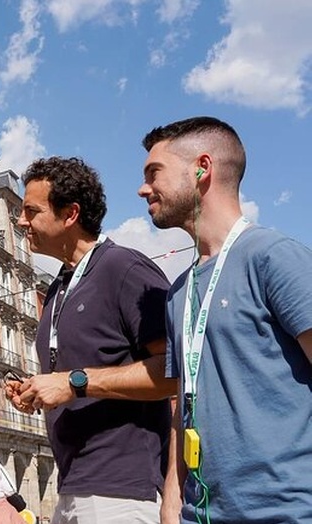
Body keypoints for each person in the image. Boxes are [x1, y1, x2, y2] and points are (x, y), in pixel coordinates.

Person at [138, 116, 312, 523]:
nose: (143, 188)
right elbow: (184, 401)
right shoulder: (178, 291)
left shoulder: (273, 257)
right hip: (200, 515)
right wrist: (171, 500)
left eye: (154, 172)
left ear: (202, 168)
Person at [6, 156, 175, 524]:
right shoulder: (56, 290)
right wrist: (37, 389)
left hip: (122, 490)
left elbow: (173, 373)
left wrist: (73, 382)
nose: (21, 222)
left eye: (31, 211)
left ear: (70, 214)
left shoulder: (124, 268)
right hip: (71, 486)